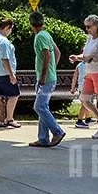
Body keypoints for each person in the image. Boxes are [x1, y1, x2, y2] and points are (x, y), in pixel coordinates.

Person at [69, 14, 98, 139]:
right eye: (86, 27)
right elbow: (86, 55)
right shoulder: (90, 39)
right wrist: (77, 57)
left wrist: (94, 56)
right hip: (90, 72)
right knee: (84, 98)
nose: (87, 29)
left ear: (96, 26)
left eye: (89, 26)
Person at [28, 12, 65, 148]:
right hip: (49, 77)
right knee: (43, 107)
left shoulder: (39, 37)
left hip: (46, 80)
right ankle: (43, 138)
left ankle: (57, 132)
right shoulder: (47, 34)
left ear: (31, 24)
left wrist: (44, 75)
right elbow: (57, 52)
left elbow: (47, 56)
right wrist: (52, 69)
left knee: (39, 106)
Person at [70, 55, 95, 128]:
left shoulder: (79, 65)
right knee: (85, 105)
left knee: (86, 103)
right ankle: (79, 121)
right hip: (86, 87)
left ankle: (88, 118)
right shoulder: (90, 65)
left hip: (82, 87)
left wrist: (73, 87)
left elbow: (75, 77)